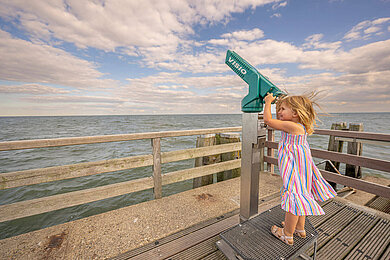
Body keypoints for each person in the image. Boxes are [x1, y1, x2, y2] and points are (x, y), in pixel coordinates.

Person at [263, 92, 337, 246]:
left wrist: (268, 101)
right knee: (301, 195)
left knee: (294, 197)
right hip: (302, 169)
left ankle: (286, 234)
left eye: (283, 109)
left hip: (293, 168)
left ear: (295, 113)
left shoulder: (291, 126)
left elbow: (268, 120)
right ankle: (299, 228)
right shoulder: (300, 126)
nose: (279, 112)